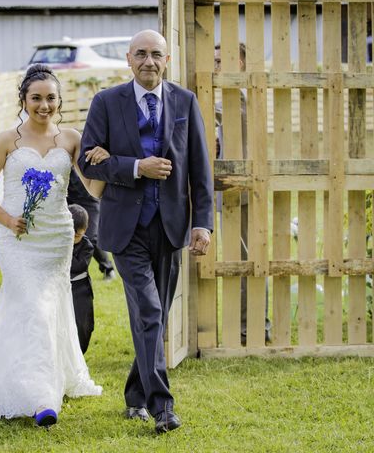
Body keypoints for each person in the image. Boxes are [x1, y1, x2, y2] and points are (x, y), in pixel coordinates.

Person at [0, 64, 109, 427]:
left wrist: (102, 166)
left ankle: (43, 380)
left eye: (51, 99)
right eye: (36, 98)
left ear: (59, 101)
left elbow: (92, 190)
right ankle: (41, 397)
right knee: (31, 304)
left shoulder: (71, 139)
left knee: (46, 306)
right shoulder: (6, 141)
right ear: (23, 101)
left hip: (55, 238)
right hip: (17, 238)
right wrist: (8, 219)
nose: (44, 106)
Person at [78, 30, 213, 434]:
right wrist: (136, 167)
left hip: (171, 226)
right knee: (150, 311)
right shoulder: (106, 102)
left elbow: (200, 169)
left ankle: (136, 395)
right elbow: (89, 162)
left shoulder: (185, 101)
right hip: (125, 227)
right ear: (128, 59)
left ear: (167, 60)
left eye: (156, 54)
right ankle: (162, 406)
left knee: (151, 315)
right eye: (141, 54)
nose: (148, 61)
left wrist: (202, 222)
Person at [214, 43, 271, 344]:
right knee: (242, 259)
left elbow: (212, 112)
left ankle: (253, 328)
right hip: (231, 189)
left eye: (221, 61)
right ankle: (251, 325)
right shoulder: (233, 96)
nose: (216, 67)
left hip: (243, 190)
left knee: (247, 260)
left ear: (238, 62)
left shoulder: (237, 96)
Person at [67, 169, 115, 280]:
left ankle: (108, 267)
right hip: (67, 198)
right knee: (67, 234)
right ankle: (71, 272)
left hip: (89, 199)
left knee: (90, 236)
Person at [69, 203, 95, 354]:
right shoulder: (62, 240)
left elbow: (77, 266)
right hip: (63, 288)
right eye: (70, 234)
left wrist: (66, 252)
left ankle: (80, 352)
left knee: (83, 324)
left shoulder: (87, 246)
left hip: (81, 290)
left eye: (77, 235)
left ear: (84, 231)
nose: (73, 239)